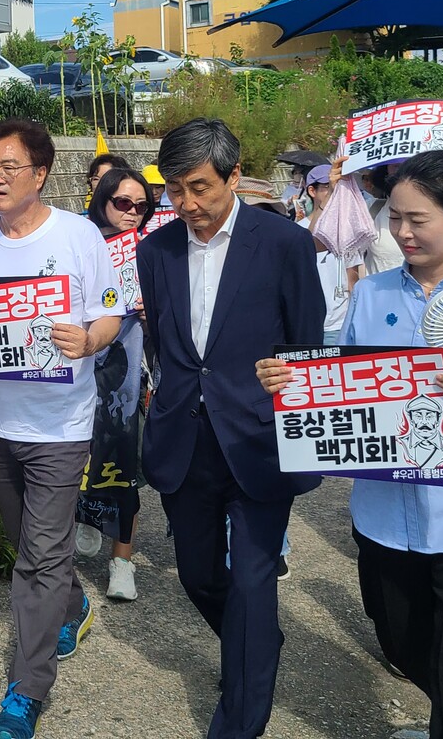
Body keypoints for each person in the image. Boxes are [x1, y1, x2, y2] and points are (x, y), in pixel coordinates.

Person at [257, 149, 443, 739]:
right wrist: (289, 382)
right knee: (404, 646)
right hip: (383, 515)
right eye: (396, 218)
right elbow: (339, 384)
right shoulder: (374, 295)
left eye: (419, 220)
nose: (402, 232)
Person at [137, 117, 324, 739]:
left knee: (252, 580)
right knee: (198, 575)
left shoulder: (284, 244)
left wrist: (288, 384)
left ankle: (239, 719)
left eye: (199, 188)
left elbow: (307, 346)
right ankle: (254, 647)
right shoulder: (155, 249)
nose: (186, 204)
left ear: (235, 178)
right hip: (185, 437)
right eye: (174, 190)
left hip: (259, 438)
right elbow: (165, 341)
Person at [0, 118, 121, 739]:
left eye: (9, 167)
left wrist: (88, 337)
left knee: (40, 555)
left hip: (61, 423)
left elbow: (110, 314)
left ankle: (26, 688)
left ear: (40, 175)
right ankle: (72, 604)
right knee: (28, 540)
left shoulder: (78, 236)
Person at [81, 166, 155, 603]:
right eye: (123, 203)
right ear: (102, 200)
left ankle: (121, 560)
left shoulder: (154, 250)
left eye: (142, 206)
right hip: (78, 368)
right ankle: (84, 518)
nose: (132, 214)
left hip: (130, 375)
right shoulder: (76, 242)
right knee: (74, 457)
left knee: (124, 459)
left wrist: (155, 313)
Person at [301, 164, 364, 345]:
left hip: (341, 324)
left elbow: (353, 280)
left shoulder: (346, 230)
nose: (335, 192)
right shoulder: (297, 230)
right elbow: (310, 245)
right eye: (327, 187)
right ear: (312, 191)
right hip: (313, 325)